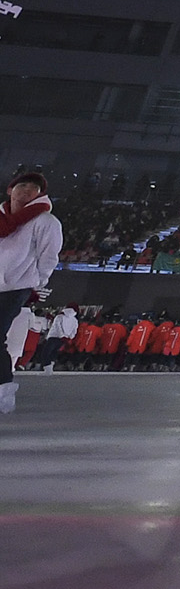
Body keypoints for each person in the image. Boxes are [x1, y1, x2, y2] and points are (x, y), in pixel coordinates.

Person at [0, 170, 63, 419]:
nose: (27, 190)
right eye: (22, 185)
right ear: (10, 190)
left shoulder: (45, 222)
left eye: (34, 188)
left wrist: (37, 282)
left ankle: (4, 390)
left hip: (16, 287)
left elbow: (49, 256)